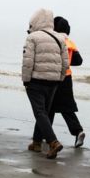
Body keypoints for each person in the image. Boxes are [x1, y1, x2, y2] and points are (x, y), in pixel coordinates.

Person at [22, 8, 70, 159]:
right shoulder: (60, 38)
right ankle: (36, 143)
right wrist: (60, 78)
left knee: (40, 112)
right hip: (54, 81)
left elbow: (28, 62)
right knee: (44, 113)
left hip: (36, 80)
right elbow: (65, 63)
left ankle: (53, 142)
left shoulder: (33, 37)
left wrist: (26, 79)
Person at [43, 16, 86, 148]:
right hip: (66, 78)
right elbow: (78, 61)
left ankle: (47, 134)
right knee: (66, 108)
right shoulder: (69, 42)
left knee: (48, 108)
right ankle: (78, 131)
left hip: (53, 76)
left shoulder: (52, 40)